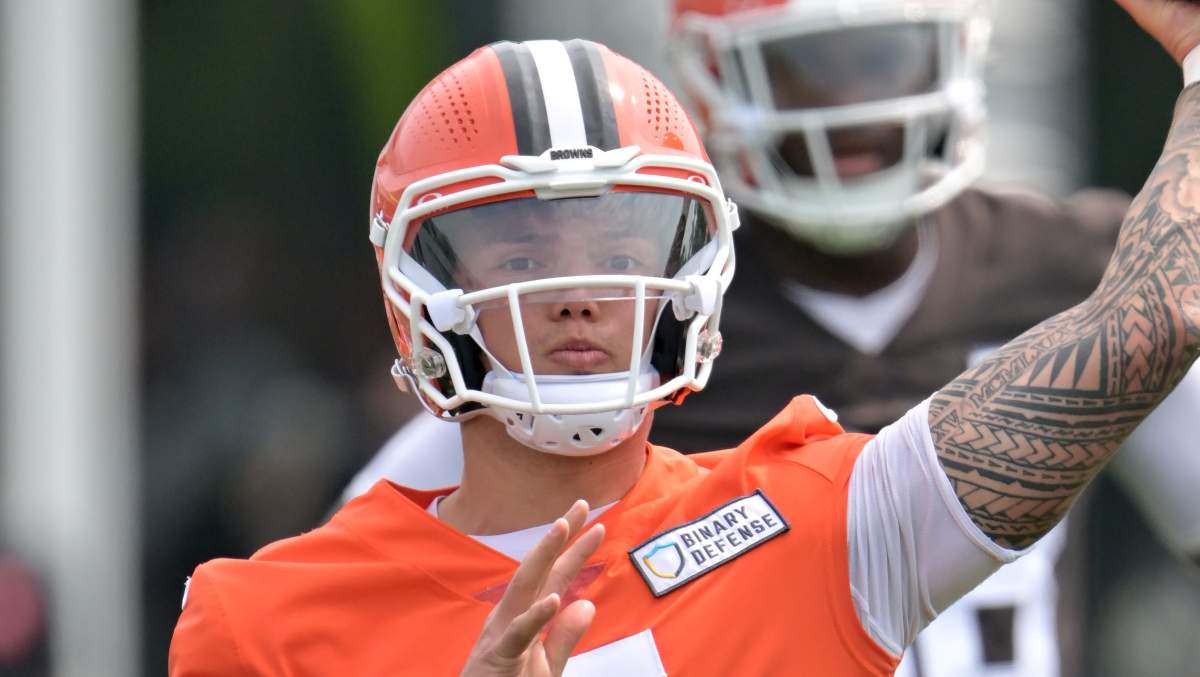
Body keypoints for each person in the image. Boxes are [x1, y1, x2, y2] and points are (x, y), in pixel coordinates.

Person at [171, 0, 1200, 671]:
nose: (577, 292)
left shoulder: (817, 522)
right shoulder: (263, 618)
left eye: (620, 247)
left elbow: (1156, 317)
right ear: (421, 289)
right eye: (520, 253)